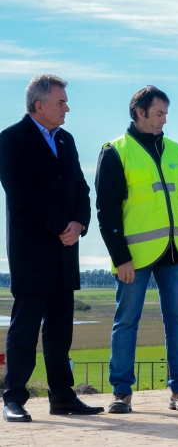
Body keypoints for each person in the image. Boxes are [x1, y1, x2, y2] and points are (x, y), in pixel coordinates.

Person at [96, 86, 178, 414]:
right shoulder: (115, 151)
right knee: (126, 321)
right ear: (139, 112)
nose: (164, 120)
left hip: (176, 251)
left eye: (166, 114)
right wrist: (119, 256)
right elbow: (106, 210)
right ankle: (121, 393)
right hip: (134, 256)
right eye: (158, 114)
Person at [0, 75, 104, 422]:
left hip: (65, 248)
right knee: (26, 328)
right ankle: (14, 397)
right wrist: (62, 225)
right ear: (39, 105)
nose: (67, 108)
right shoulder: (11, 139)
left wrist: (79, 224)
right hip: (32, 250)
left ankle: (62, 397)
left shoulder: (66, 139)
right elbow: (21, 194)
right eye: (61, 102)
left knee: (61, 330)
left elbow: (81, 188)